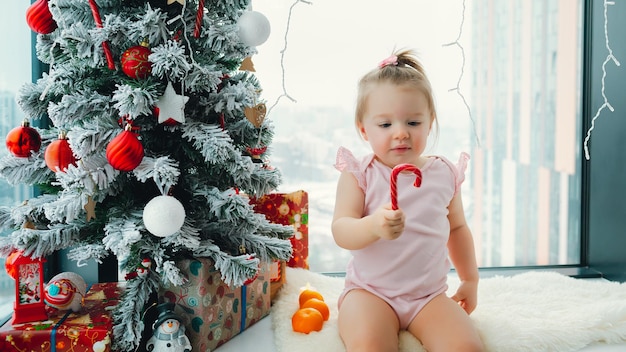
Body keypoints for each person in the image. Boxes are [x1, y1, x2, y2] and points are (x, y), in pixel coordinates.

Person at [332, 49, 484, 352]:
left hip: (428, 297)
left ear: (430, 123)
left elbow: (457, 229)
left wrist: (470, 280)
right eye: (386, 125)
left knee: (467, 347)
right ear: (364, 129)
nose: (401, 133)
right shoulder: (359, 174)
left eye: (413, 123)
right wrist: (373, 226)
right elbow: (341, 230)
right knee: (369, 346)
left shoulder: (444, 174)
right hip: (369, 293)